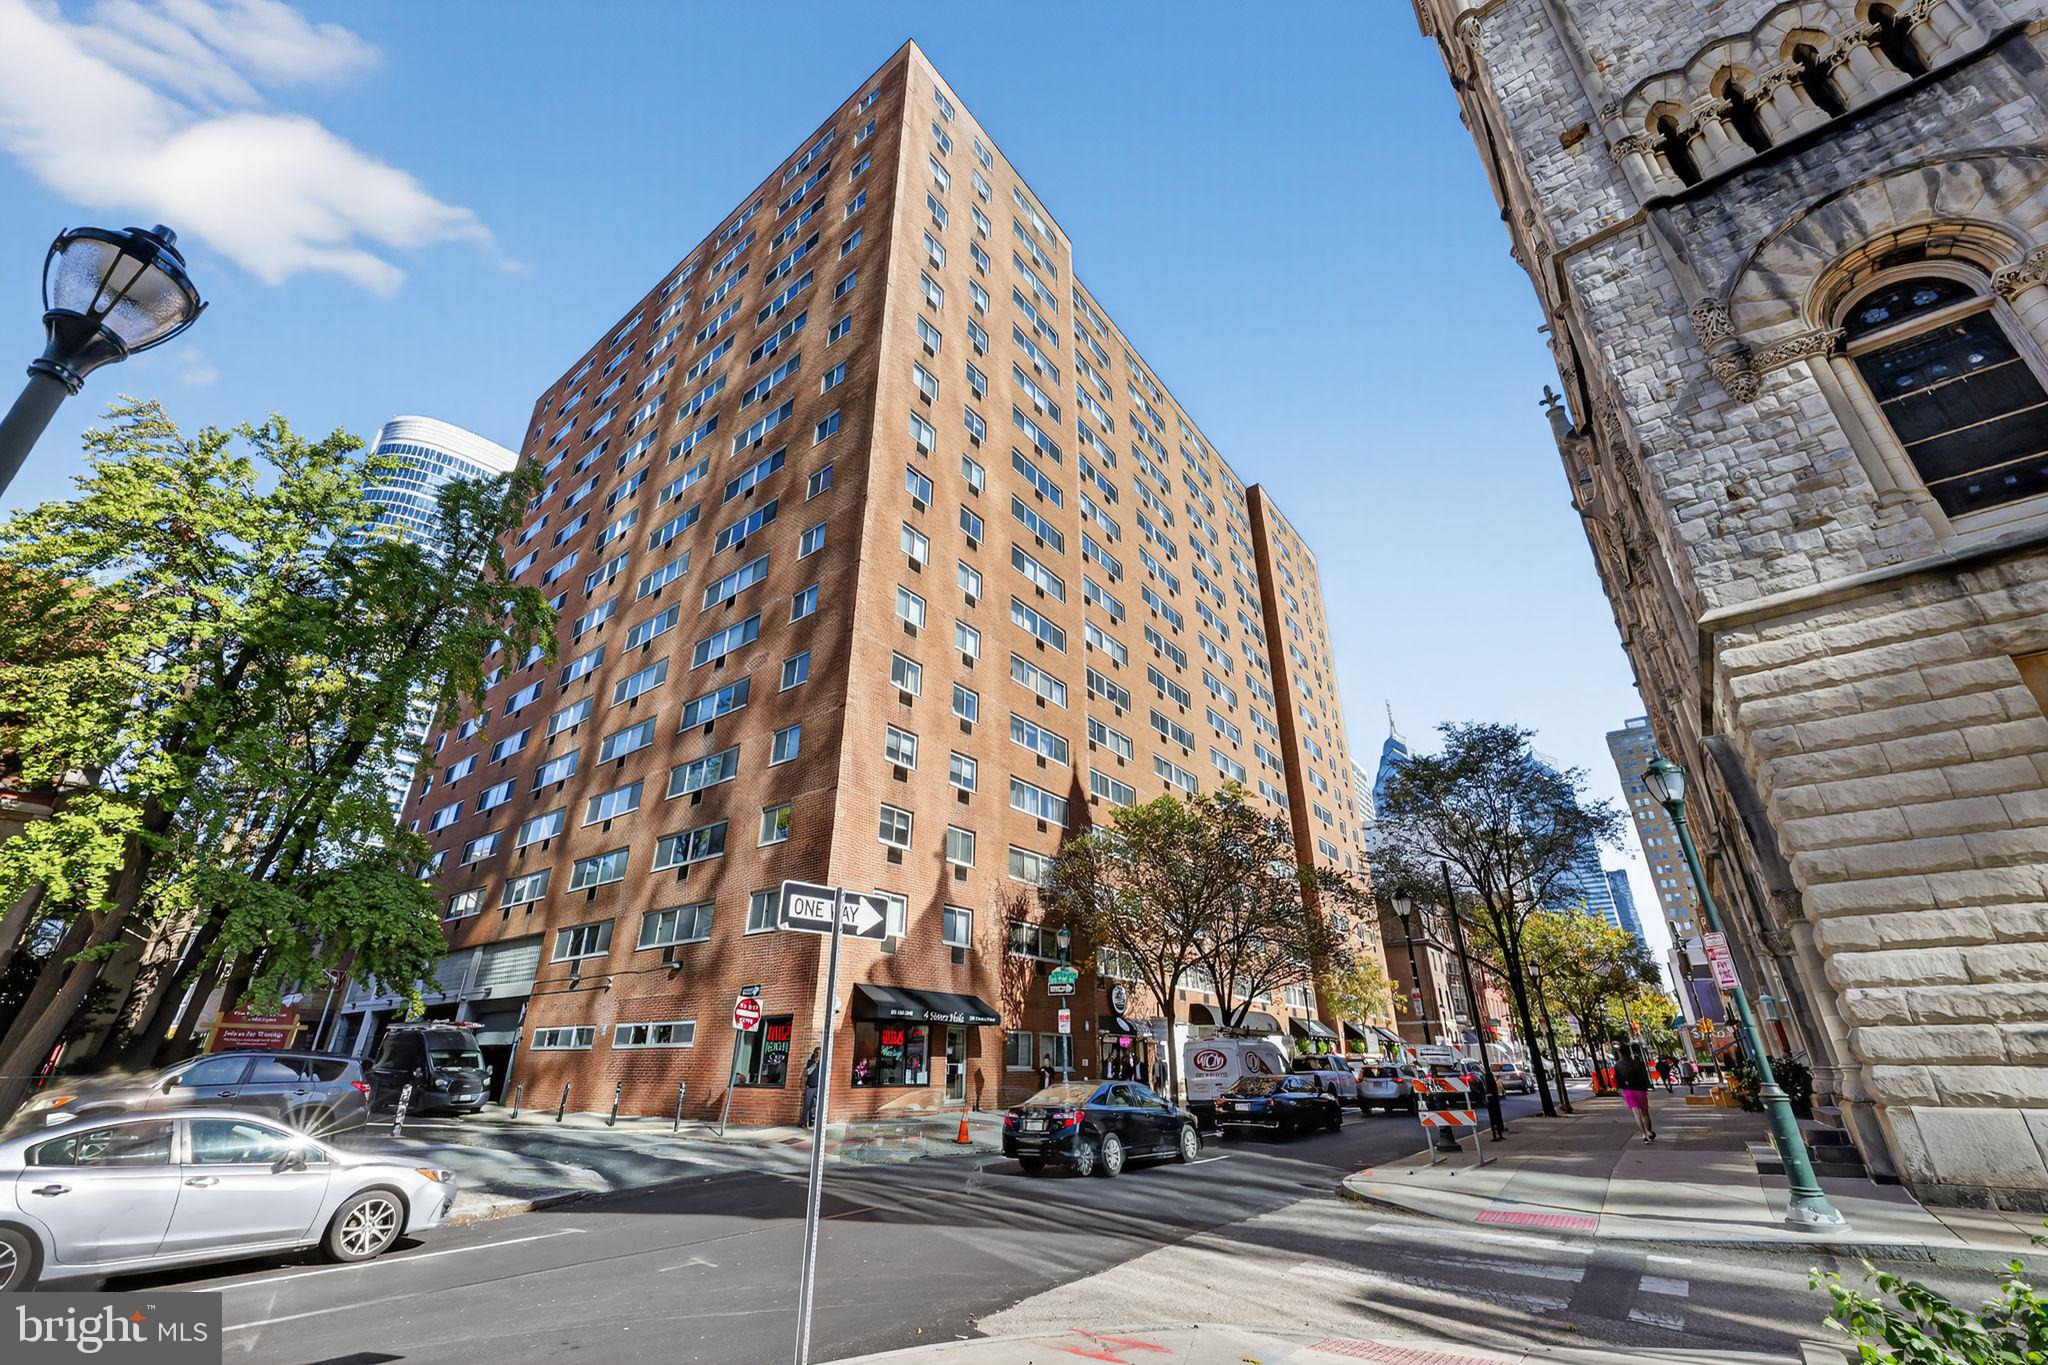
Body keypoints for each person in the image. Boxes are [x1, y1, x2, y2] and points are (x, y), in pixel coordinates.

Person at [1615, 1045, 1655, 1141]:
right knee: (1645, 1113)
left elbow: (1618, 1080)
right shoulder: (1638, 1063)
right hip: (1640, 1090)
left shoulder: (1617, 1065)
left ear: (1620, 1053)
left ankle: (1644, 1134)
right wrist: (1645, 1087)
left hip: (1628, 1091)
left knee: (1636, 1114)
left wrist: (1622, 1088)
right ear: (1630, 1052)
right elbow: (1644, 1077)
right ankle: (1649, 1132)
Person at [800, 1047, 821, 1128]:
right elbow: (808, 1072)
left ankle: (812, 1121)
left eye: (819, 1053)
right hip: (810, 1086)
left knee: (815, 1105)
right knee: (807, 1105)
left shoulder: (822, 1063)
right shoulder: (809, 1062)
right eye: (817, 1053)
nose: (818, 1055)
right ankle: (804, 1122)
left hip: (818, 1086)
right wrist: (815, 1063)